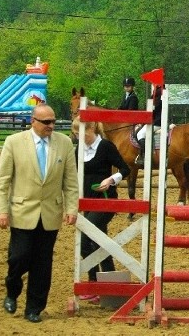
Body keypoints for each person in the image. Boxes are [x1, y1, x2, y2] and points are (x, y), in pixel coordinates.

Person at [0, 104, 79, 323]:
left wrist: (71, 208)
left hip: (50, 212)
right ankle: (12, 291)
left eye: (53, 121)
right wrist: (1, 210)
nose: (51, 126)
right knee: (19, 257)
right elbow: (2, 180)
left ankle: (34, 308)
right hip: (22, 211)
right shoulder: (13, 142)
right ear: (33, 121)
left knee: (43, 263)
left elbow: (70, 181)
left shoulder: (65, 143)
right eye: (46, 122)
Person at [72, 118, 131, 302]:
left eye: (82, 132)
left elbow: (125, 168)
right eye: (76, 134)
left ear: (91, 128)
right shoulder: (79, 149)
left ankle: (94, 283)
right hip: (87, 201)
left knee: (88, 237)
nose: (79, 137)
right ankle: (107, 284)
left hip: (105, 200)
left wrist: (111, 180)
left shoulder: (105, 146)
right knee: (99, 242)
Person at [135, 84, 163, 165]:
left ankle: (145, 156)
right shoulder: (158, 91)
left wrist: (143, 121)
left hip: (157, 121)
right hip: (156, 120)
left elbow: (153, 110)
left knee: (140, 134)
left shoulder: (159, 92)